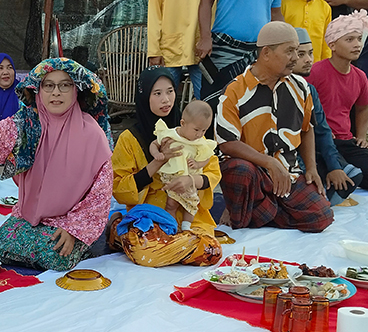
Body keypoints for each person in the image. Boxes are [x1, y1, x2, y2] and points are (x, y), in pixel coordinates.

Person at [0, 58, 113, 271]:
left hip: (70, 221)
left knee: (54, 256)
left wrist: (73, 229)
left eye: (65, 85)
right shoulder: (29, 122)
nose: (56, 92)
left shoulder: (93, 134)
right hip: (30, 216)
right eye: (48, 85)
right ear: (38, 91)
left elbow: (100, 194)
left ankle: (81, 242)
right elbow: (5, 130)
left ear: (76, 90)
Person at [215, 22, 333, 232]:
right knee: (239, 170)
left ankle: (253, 212)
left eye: (297, 51)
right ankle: (259, 209)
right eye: (290, 51)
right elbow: (227, 143)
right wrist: (269, 163)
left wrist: (312, 169)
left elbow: (307, 129)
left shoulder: (301, 87)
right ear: (266, 53)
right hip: (253, 174)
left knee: (322, 216)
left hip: (289, 174)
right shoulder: (235, 90)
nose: (295, 58)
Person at [110, 67, 223, 267]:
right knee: (147, 250)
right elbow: (119, 188)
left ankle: (170, 245)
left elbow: (213, 171)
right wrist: (158, 162)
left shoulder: (191, 130)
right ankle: (121, 227)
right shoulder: (130, 139)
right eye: (158, 93)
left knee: (210, 252)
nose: (166, 100)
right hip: (150, 217)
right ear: (145, 97)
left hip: (188, 216)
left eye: (170, 91)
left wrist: (191, 180)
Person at [292, 27, 362, 205]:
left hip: (320, 147)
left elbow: (322, 131)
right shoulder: (263, 89)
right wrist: (309, 168)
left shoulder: (308, 89)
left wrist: (334, 167)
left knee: (351, 176)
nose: (308, 60)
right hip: (284, 159)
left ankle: (322, 189)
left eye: (310, 53)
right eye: (301, 54)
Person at [306, 11, 368, 191]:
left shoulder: (360, 77)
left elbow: (363, 108)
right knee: (346, 180)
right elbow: (303, 109)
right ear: (332, 44)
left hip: (346, 141)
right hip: (319, 142)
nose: (357, 45)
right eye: (349, 40)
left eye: (359, 38)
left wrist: (362, 136)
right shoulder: (315, 72)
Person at [149, 101, 217, 231]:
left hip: (190, 178)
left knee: (191, 205)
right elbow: (154, 144)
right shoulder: (171, 134)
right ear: (183, 123)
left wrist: (198, 164)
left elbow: (207, 157)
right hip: (173, 176)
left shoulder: (200, 142)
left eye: (204, 130)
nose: (200, 134)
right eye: (196, 130)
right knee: (171, 204)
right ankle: (171, 227)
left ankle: (186, 226)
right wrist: (156, 154)